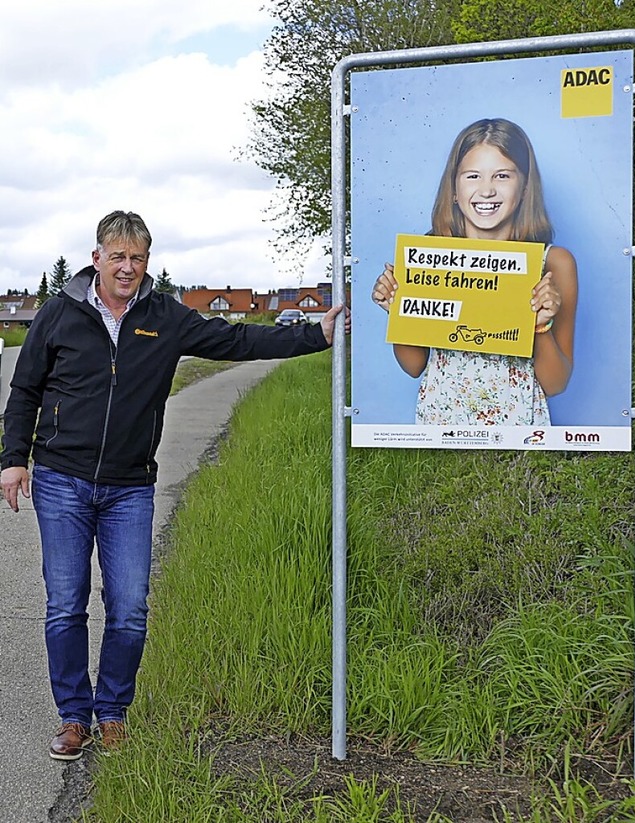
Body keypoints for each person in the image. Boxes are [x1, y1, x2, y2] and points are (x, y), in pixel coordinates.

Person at [0, 210, 350, 760]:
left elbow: (235, 341)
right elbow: (24, 390)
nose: (128, 268)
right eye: (117, 256)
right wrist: (13, 459)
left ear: (147, 262)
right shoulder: (59, 313)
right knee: (66, 603)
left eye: (138, 258)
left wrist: (316, 335)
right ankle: (73, 716)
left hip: (130, 488)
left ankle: (112, 712)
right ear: (97, 259)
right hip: (62, 482)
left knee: (131, 605)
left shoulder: (165, 316)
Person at [372, 118, 577, 426]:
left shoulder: (553, 264)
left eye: (503, 175)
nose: (486, 190)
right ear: (454, 188)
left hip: (520, 436)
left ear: (524, 187)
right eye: (472, 176)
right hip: (439, 432)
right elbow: (414, 366)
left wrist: (538, 327)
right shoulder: (430, 257)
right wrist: (399, 312)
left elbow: (556, 384)